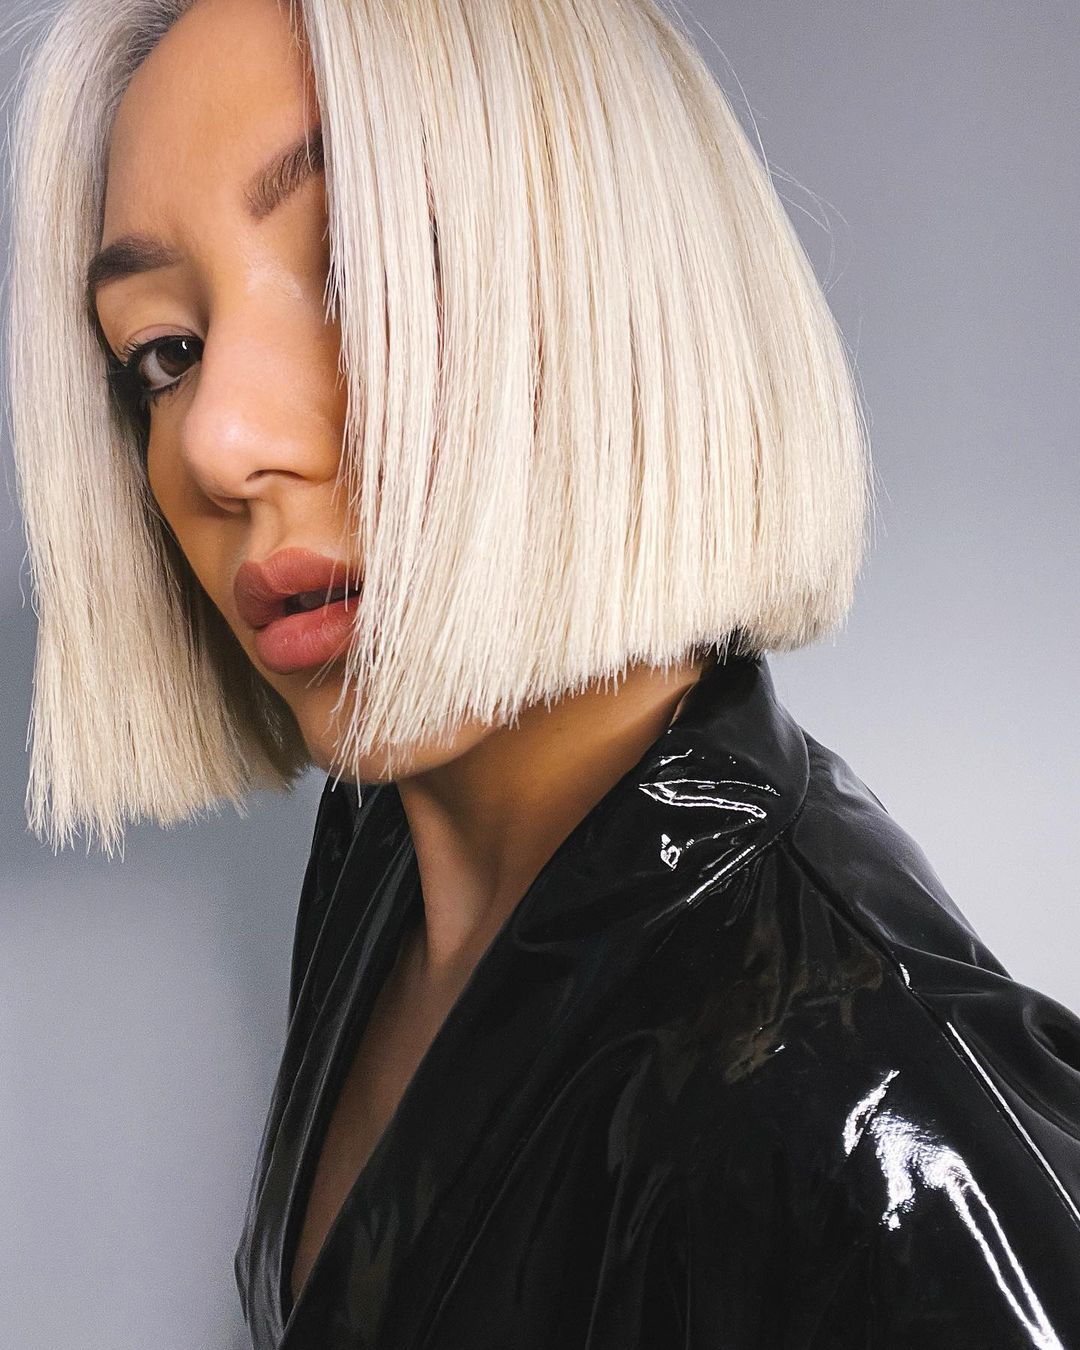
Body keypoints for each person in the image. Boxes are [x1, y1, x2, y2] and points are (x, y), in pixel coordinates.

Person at [6, 0, 1080, 1346]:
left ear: (615, 286)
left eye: (358, 273)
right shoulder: (385, 850)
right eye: (164, 353)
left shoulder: (868, 1114)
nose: (217, 442)